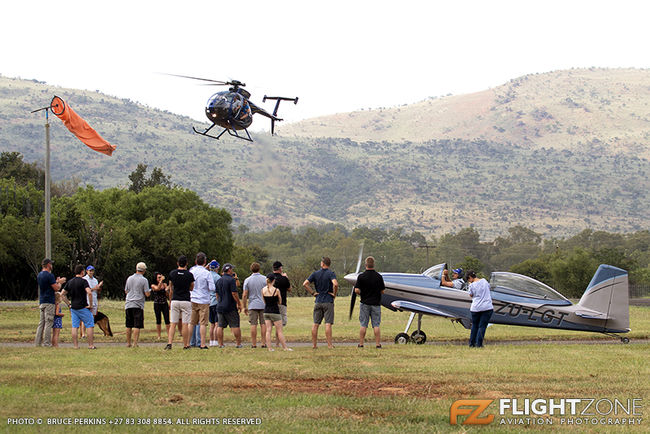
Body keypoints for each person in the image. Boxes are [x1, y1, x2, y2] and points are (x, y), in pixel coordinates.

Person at [303, 257, 338, 349]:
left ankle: (314, 345)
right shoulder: (331, 273)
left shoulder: (315, 273)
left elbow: (305, 284)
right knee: (328, 323)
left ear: (322, 263)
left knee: (315, 324)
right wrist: (334, 294)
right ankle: (329, 345)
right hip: (328, 300)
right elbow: (335, 284)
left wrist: (313, 293)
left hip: (318, 300)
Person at [61, 264, 95, 349]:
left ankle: (76, 346)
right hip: (83, 307)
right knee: (89, 325)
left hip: (74, 307)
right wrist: (90, 305)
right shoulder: (83, 281)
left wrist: (68, 304)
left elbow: (62, 294)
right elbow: (89, 292)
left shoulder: (70, 282)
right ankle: (90, 345)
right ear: (82, 272)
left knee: (75, 326)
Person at [354, 256, 385, 348]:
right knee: (376, 324)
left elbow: (356, 290)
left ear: (365, 265)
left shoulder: (361, 276)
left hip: (365, 303)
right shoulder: (379, 277)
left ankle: (361, 343)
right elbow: (383, 291)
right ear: (374, 264)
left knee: (363, 324)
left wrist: (362, 293)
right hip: (376, 303)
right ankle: (378, 344)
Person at [165, 255, 195, 350]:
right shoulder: (189, 275)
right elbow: (192, 287)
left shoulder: (172, 274)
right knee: (185, 323)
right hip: (185, 300)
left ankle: (169, 343)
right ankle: (186, 344)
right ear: (186, 264)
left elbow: (171, 289)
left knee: (173, 323)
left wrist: (170, 301)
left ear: (177, 263)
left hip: (175, 299)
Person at [35, 258, 66, 347]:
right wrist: (59, 283)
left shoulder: (40, 275)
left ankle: (37, 342)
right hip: (49, 301)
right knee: (49, 322)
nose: (51, 266)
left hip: (42, 300)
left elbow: (49, 284)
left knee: (41, 323)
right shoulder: (49, 275)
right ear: (48, 265)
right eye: (51, 264)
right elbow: (56, 288)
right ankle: (47, 343)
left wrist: (56, 281)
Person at [189, 252, 215, 350]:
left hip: (193, 298)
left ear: (196, 261)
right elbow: (212, 287)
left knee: (192, 322)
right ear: (204, 261)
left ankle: (188, 343)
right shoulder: (207, 273)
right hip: (203, 300)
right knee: (203, 323)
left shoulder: (192, 270)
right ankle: (202, 343)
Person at [215, 263, 242, 348]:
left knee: (220, 326)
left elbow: (217, 294)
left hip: (220, 306)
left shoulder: (219, 280)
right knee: (235, 325)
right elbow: (234, 293)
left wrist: (219, 301)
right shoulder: (231, 280)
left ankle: (220, 344)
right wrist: (239, 303)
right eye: (232, 269)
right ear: (229, 270)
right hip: (230, 306)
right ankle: (238, 344)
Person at [124, 262, 151, 348]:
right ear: (144, 270)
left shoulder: (129, 278)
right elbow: (147, 294)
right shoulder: (144, 280)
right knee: (137, 325)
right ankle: (135, 343)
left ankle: (128, 343)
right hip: (138, 304)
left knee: (129, 324)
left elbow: (126, 290)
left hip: (128, 303)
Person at [262, 274, 291, 351]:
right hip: (275, 312)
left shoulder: (263, 290)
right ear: (273, 280)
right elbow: (280, 301)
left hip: (266, 311)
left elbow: (264, 301)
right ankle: (285, 347)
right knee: (279, 331)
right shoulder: (276, 290)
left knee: (268, 330)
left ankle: (269, 348)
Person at [242, 262, 267, 348]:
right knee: (263, 323)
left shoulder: (247, 280)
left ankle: (254, 343)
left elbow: (245, 294)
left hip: (252, 304)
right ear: (259, 269)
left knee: (253, 324)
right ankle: (263, 343)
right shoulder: (265, 279)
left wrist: (244, 306)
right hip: (263, 304)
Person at [467, 270, 493, 348]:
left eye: (468, 279)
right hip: (487, 307)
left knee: (475, 326)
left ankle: (471, 344)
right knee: (482, 326)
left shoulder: (471, 285)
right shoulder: (484, 281)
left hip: (475, 308)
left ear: (470, 277)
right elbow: (489, 288)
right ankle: (479, 344)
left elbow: (471, 295)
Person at [80, 265, 102, 339]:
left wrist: (98, 288)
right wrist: (94, 288)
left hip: (94, 300)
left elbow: (96, 290)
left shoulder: (95, 280)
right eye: (90, 271)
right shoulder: (84, 279)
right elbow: (86, 290)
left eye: (92, 271)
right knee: (84, 317)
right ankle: (83, 334)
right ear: (87, 271)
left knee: (92, 317)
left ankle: (90, 334)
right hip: (86, 300)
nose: (91, 272)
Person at [272, 261, 291, 343]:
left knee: (270, 325)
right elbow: (289, 289)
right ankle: (277, 342)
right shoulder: (284, 278)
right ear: (280, 268)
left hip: (271, 303)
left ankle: (267, 342)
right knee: (280, 324)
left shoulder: (269, 278)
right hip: (282, 303)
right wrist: (286, 278)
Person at [151, 272, 170, 340]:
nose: (160, 278)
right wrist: (161, 281)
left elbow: (167, 295)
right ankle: (159, 336)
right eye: (159, 277)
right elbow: (157, 289)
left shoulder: (164, 285)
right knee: (158, 320)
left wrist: (167, 290)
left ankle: (169, 335)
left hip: (164, 303)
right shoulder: (153, 285)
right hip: (157, 304)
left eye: (161, 277)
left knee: (167, 320)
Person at [208, 260, 221, 347]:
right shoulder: (218, 277)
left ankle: (211, 341)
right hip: (215, 301)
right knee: (217, 323)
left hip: (208, 301)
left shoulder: (207, 275)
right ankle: (216, 340)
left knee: (211, 324)